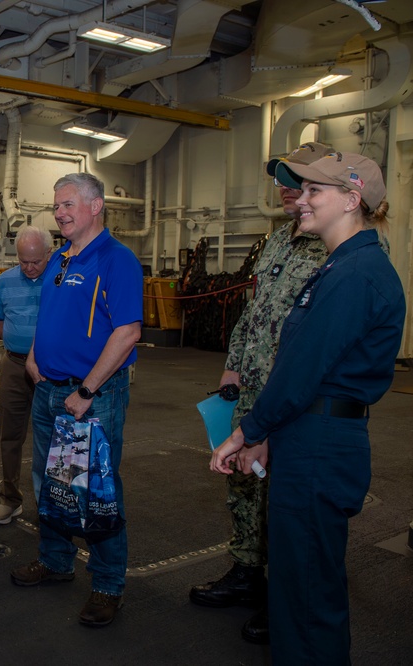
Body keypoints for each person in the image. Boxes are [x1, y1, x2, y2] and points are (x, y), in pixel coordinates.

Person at [211, 152, 404, 664]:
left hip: (319, 440)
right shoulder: (343, 265)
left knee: (308, 590)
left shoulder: (355, 274)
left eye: (316, 190)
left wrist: (250, 429)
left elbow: (302, 368)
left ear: (351, 199)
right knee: (297, 584)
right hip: (307, 431)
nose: (302, 199)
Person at [189, 142, 333, 643]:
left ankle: (286, 596)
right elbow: (254, 312)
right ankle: (248, 572)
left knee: (288, 499)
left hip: (294, 397)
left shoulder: (334, 248)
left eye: (298, 179)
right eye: (281, 177)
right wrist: (232, 366)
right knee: (245, 486)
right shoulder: (277, 241)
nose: (285, 186)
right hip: (251, 387)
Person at [10, 173, 142, 628]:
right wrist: (32, 355)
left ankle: (107, 584)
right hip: (49, 390)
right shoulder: (61, 258)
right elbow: (50, 315)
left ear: (95, 205)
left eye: (68, 204)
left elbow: (127, 332)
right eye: (57, 206)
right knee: (53, 484)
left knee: (96, 492)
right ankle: (56, 561)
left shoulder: (117, 259)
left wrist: (86, 390)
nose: (60, 213)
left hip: (91, 397)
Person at [0, 225, 52, 524]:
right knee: (10, 436)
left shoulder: (59, 280)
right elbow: (0, 323)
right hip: (14, 367)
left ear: (48, 255)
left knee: (50, 438)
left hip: (51, 369)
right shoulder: (5, 280)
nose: (28, 267)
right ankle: (10, 498)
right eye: (23, 261)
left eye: (35, 262)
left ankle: (50, 504)